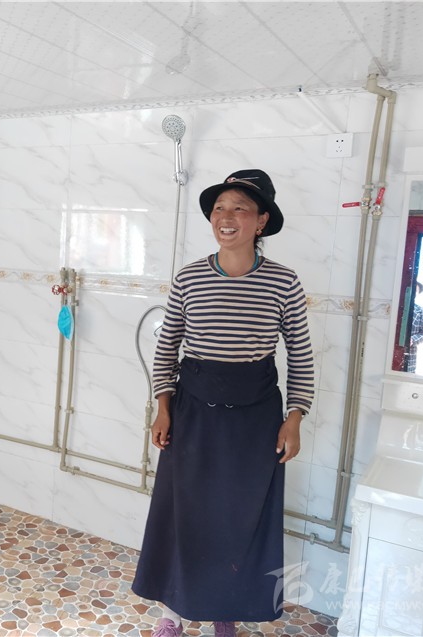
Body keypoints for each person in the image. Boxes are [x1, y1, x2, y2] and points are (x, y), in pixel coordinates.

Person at [132, 169, 314, 637]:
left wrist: (294, 418)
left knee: (240, 517)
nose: (226, 217)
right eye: (219, 208)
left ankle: (224, 611)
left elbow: (300, 354)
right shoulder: (190, 277)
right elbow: (167, 347)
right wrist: (163, 407)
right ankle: (171, 612)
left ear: (262, 220)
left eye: (240, 209)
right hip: (193, 412)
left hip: (256, 418)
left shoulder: (284, 281)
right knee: (182, 513)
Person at [406, 281, 423, 373]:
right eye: (411, 289)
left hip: (409, 356)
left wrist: (412, 340)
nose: (412, 292)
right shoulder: (394, 306)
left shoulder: (420, 310)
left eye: (415, 291)